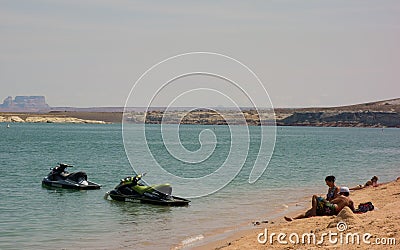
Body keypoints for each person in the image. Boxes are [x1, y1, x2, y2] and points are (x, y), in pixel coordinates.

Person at [284, 187, 355, 221]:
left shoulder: (342, 197)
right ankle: (294, 219)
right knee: (310, 211)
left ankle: (313, 212)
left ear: (342, 193)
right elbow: (353, 210)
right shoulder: (351, 201)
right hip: (333, 212)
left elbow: (331, 202)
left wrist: (324, 201)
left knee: (315, 196)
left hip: (331, 208)